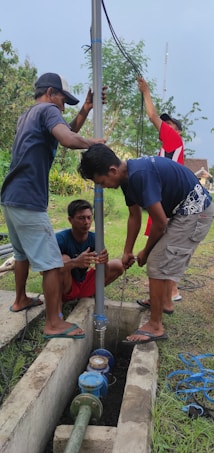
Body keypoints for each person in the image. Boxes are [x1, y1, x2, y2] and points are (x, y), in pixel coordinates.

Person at [0, 72, 106, 340]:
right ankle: (53, 322)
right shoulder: (48, 109)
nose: (62, 107)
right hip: (29, 200)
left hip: (11, 198)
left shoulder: (29, 114)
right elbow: (68, 139)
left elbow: (66, 130)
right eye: (62, 100)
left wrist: (85, 109)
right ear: (49, 92)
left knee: (22, 253)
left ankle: (21, 299)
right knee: (50, 263)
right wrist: (94, 143)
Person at [78, 144, 214, 345]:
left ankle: (155, 326)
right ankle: (164, 302)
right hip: (183, 211)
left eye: (102, 181)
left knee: (157, 262)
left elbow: (160, 223)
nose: (103, 186)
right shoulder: (127, 178)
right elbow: (134, 216)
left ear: (112, 171)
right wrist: (127, 251)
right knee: (161, 258)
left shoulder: (140, 176)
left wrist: (145, 252)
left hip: (196, 213)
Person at [137, 76, 184, 308]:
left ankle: (164, 297)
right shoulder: (165, 148)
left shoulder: (174, 140)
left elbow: (152, 116)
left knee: (157, 253)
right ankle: (167, 295)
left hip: (166, 203)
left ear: (176, 130)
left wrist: (146, 92)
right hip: (165, 201)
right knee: (162, 250)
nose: (163, 126)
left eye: (169, 124)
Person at [56, 199, 124, 308]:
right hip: (67, 287)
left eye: (89, 217)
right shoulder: (61, 239)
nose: (86, 222)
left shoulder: (95, 238)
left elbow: (105, 275)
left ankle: (91, 294)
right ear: (70, 220)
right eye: (81, 218)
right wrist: (75, 262)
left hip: (83, 283)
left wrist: (104, 262)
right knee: (64, 259)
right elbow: (45, 271)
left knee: (118, 265)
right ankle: (62, 300)